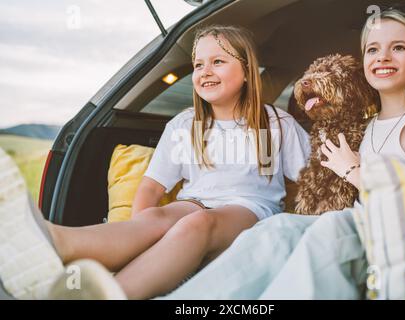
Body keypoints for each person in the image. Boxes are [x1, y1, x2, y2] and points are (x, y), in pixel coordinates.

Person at [0, 25, 310, 300]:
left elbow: (312, 179)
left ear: (246, 70)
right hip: (196, 202)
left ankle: (116, 293)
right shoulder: (184, 124)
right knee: (157, 218)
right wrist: (143, 238)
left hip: (251, 210)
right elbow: (150, 188)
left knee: (198, 223)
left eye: (218, 61)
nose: (205, 71)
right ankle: (51, 239)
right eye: (198, 64)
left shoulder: (275, 122)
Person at [161, 8, 405, 300]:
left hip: (387, 235)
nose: (383, 57)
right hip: (349, 223)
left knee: (322, 236)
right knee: (274, 229)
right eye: (373, 49)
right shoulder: (365, 127)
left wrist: (352, 170)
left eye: (398, 48)